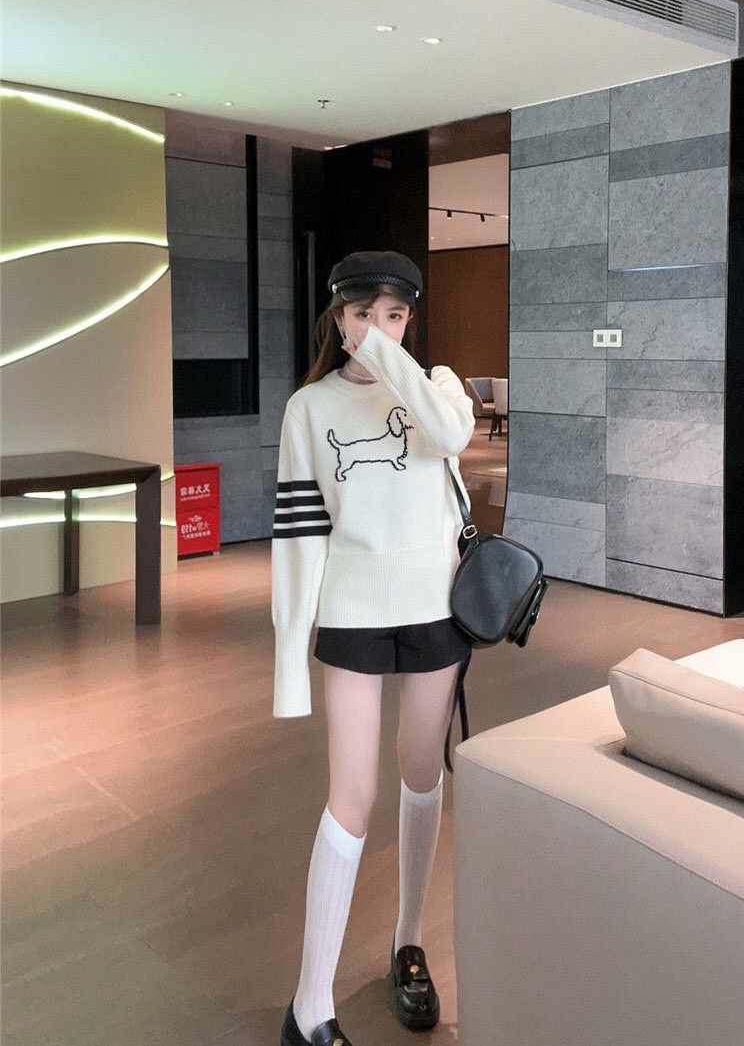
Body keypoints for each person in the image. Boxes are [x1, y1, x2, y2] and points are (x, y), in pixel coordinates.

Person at [272, 250, 475, 1046]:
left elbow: (449, 432)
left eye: (394, 315)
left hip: (435, 610)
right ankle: (308, 1007)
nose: (377, 328)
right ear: (338, 316)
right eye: (362, 313)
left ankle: (407, 941)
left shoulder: (438, 388)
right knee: (350, 796)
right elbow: (298, 539)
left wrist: (389, 359)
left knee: (422, 773)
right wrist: (289, 665)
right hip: (352, 614)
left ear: (409, 321)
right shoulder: (309, 408)